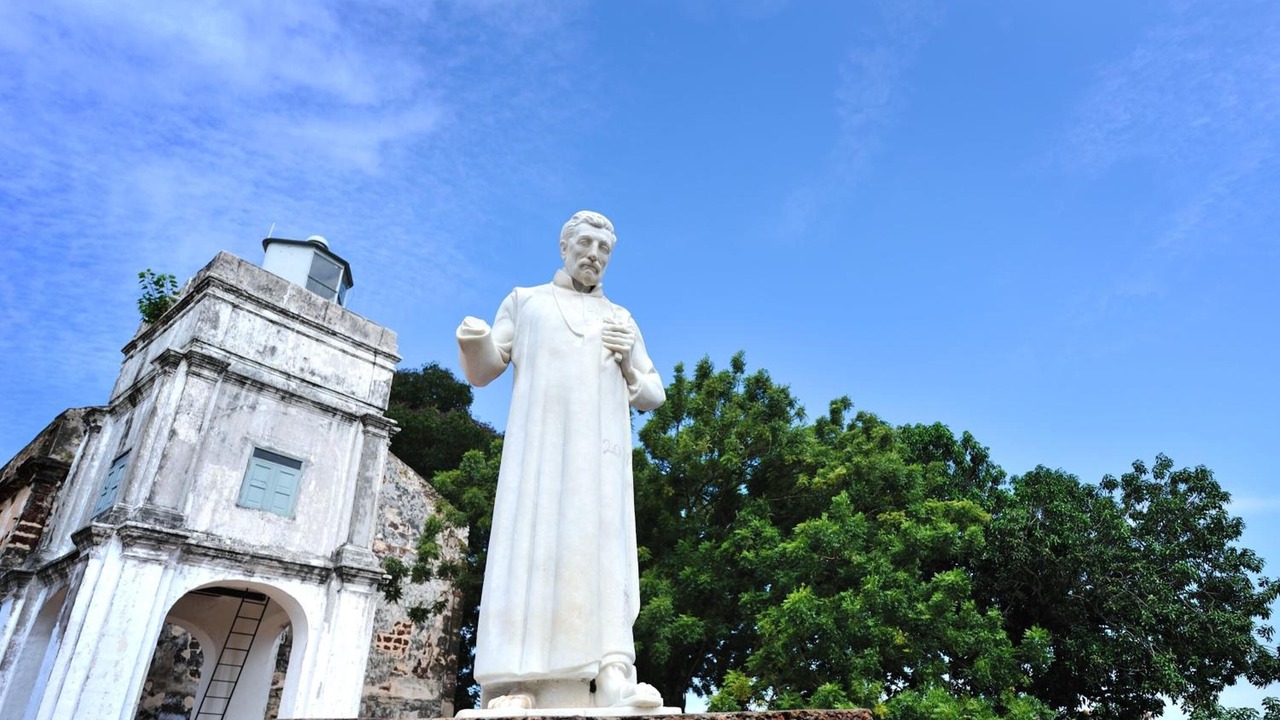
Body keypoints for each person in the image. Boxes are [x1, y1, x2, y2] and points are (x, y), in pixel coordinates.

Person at [456, 211, 666, 712]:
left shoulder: (621, 318)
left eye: (604, 249)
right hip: (540, 457)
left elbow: (653, 394)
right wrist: (474, 340)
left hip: (600, 462)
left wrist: (628, 362)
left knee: (601, 555)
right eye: (586, 243)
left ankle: (612, 673)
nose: (594, 255)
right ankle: (517, 684)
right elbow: (484, 369)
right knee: (534, 554)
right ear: (565, 246)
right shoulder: (525, 302)